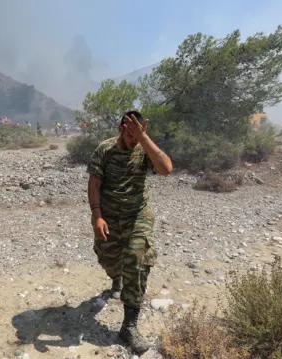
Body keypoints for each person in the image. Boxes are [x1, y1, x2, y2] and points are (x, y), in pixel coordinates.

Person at [86, 110, 173, 354]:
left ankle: (129, 326)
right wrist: (97, 216)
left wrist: (143, 139)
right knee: (108, 259)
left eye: (136, 132)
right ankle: (116, 277)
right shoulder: (105, 149)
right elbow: (94, 183)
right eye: (129, 132)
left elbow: (166, 169)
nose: (131, 137)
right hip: (109, 216)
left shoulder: (144, 147)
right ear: (120, 128)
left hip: (138, 215)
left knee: (137, 260)